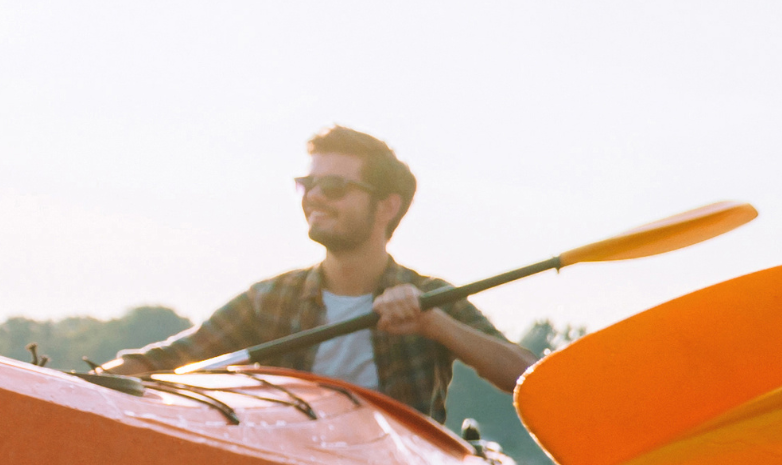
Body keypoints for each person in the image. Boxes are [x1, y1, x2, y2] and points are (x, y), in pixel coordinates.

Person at [107, 126, 531, 421]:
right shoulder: (270, 299)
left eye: (333, 188)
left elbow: (527, 379)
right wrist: (79, 383)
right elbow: (170, 360)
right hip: (291, 460)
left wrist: (436, 326)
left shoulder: (431, 296)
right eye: (306, 185)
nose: (313, 199)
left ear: (387, 206)